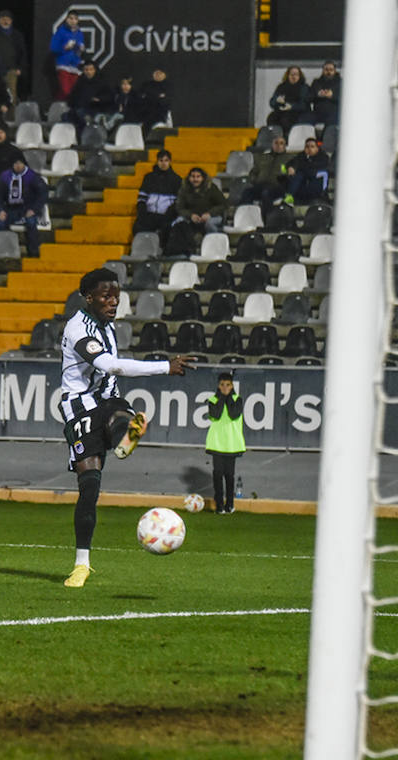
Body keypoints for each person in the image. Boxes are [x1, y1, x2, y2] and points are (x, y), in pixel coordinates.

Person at [60, 268, 194, 588]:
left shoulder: (108, 326)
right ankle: (81, 565)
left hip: (106, 400)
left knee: (118, 409)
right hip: (79, 408)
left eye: (116, 297)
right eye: (106, 296)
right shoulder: (78, 329)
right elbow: (111, 366)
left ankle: (123, 437)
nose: (113, 302)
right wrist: (166, 366)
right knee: (89, 488)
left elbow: (111, 376)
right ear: (88, 297)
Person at [0, 154, 47, 258]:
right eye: (15, 163)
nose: (18, 166)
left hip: (27, 209)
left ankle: (34, 252)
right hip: (10, 210)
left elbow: (43, 193)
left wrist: (34, 209)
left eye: (20, 163)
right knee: (0, 223)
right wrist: (0, 210)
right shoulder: (5, 177)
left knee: (31, 223)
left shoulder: (32, 176)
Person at [205, 372, 246, 515]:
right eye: (222, 385)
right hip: (217, 443)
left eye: (228, 385)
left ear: (232, 385)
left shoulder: (237, 399)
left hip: (232, 443)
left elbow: (233, 414)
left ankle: (230, 504)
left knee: (229, 475)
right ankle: (219, 505)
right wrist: (222, 396)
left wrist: (227, 396)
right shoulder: (212, 400)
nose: (225, 387)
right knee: (218, 474)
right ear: (218, 385)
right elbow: (215, 414)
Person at [132, 149, 180, 244]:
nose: (163, 163)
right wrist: (143, 213)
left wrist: (169, 214)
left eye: (166, 160)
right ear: (157, 161)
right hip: (149, 214)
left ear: (170, 162)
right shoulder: (149, 178)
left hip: (166, 216)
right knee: (138, 226)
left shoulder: (177, 180)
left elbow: (177, 202)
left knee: (167, 227)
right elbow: (142, 198)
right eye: (161, 160)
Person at [0, 9, 29, 107]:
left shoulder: (17, 36)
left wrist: (21, 69)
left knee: (11, 97)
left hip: (12, 71)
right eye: (3, 19)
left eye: (8, 19)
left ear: (11, 21)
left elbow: (23, 54)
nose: (5, 21)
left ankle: (10, 119)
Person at [242, 134, 293, 211]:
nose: (278, 145)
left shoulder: (290, 159)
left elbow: (292, 174)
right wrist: (254, 180)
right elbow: (254, 171)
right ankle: (247, 214)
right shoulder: (263, 157)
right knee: (247, 192)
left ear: (285, 146)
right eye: (276, 143)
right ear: (272, 145)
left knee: (266, 193)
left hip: (277, 186)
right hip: (261, 185)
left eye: (281, 143)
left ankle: (267, 217)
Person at [174, 166, 226, 236]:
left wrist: (210, 214)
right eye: (193, 176)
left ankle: (215, 240)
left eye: (198, 177)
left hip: (212, 216)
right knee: (179, 222)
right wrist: (190, 215)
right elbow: (179, 207)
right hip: (192, 217)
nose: (195, 179)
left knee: (209, 224)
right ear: (189, 178)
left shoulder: (211, 188)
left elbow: (223, 204)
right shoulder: (184, 189)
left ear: (203, 178)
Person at [49, 11, 86, 102]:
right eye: (71, 18)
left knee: (74, 92)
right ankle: (60, 109)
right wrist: (65, 47)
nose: (73, 21)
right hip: (63, 64)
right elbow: (53, 48)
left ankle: (63, 110)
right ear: (66, 19)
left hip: (75, 66)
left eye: (75, 19)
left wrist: (81, 49)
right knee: (66, 91)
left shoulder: (79, 33)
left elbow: (81, 48)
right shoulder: (61, 31)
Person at [266, 66, 311, 138]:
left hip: (297, 112)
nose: (294, 76)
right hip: (282, 111)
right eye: (291, 74)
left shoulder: (304, 87)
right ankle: (274, 139)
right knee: (271, 118)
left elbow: (304, 105)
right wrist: (277, 100)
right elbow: (272, 102)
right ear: (288, 75)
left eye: (296, 74)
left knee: (286, 120)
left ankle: (286, 139)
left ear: (300, 76)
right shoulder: (281, 87)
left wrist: (291, 106)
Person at [284, 136, 332, 205]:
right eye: (307, 147)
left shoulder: (323, 157)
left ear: (317, 148)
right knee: (296, 175)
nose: (309, 149)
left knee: (300, 173)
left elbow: (313, 169)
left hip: (317, 190)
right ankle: (289, 198)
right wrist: (291, 167)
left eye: (312, 146)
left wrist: (301, 168)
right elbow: (291, 163)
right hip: (303, 187)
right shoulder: (301, 155)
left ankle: (289, 197)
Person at [309, 61, 341, 149]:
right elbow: (309, 97)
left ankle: (322, 144)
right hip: (318, 112)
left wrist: (332, 95)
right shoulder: (316, 82)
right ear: (323, 70)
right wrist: (318, 94)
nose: (328, 72)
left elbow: (345, 98)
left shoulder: (340, 83)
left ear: (335, 71)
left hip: (334, 112)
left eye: (331, 69)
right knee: (304, 118)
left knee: (330, 123)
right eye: (326, 69)